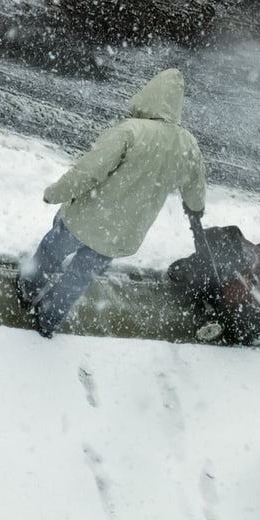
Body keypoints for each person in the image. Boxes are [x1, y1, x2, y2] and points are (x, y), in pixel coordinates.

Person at [17, 68, 207, 338]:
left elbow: (89, 172)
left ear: (150, 95)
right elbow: (195, 190)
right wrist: (196, 209)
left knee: (51, 253)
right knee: (78, 278)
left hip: (84, 220)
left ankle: (28, 289)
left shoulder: (131, 131)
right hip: (122, 234)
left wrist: (56, 193)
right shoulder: (188, 146)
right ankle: (48, 319)